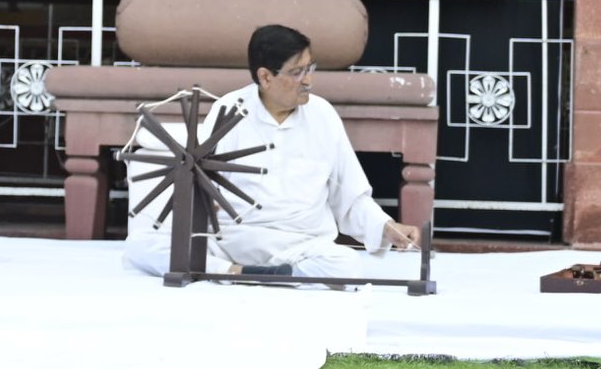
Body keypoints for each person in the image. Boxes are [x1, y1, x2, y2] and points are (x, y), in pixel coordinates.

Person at [125, 24, 419, 278]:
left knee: (346, 265)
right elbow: (202, 181)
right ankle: (238, 274)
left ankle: (230, 274)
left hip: (300, 245)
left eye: (310, 68)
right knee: (141, 244)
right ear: (265, 77)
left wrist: (386, 227)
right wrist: (202, 199)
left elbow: (351, 196)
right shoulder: (229, 109)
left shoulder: (323, 115)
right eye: (297, 72)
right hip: (233, 240)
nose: (309, 80)